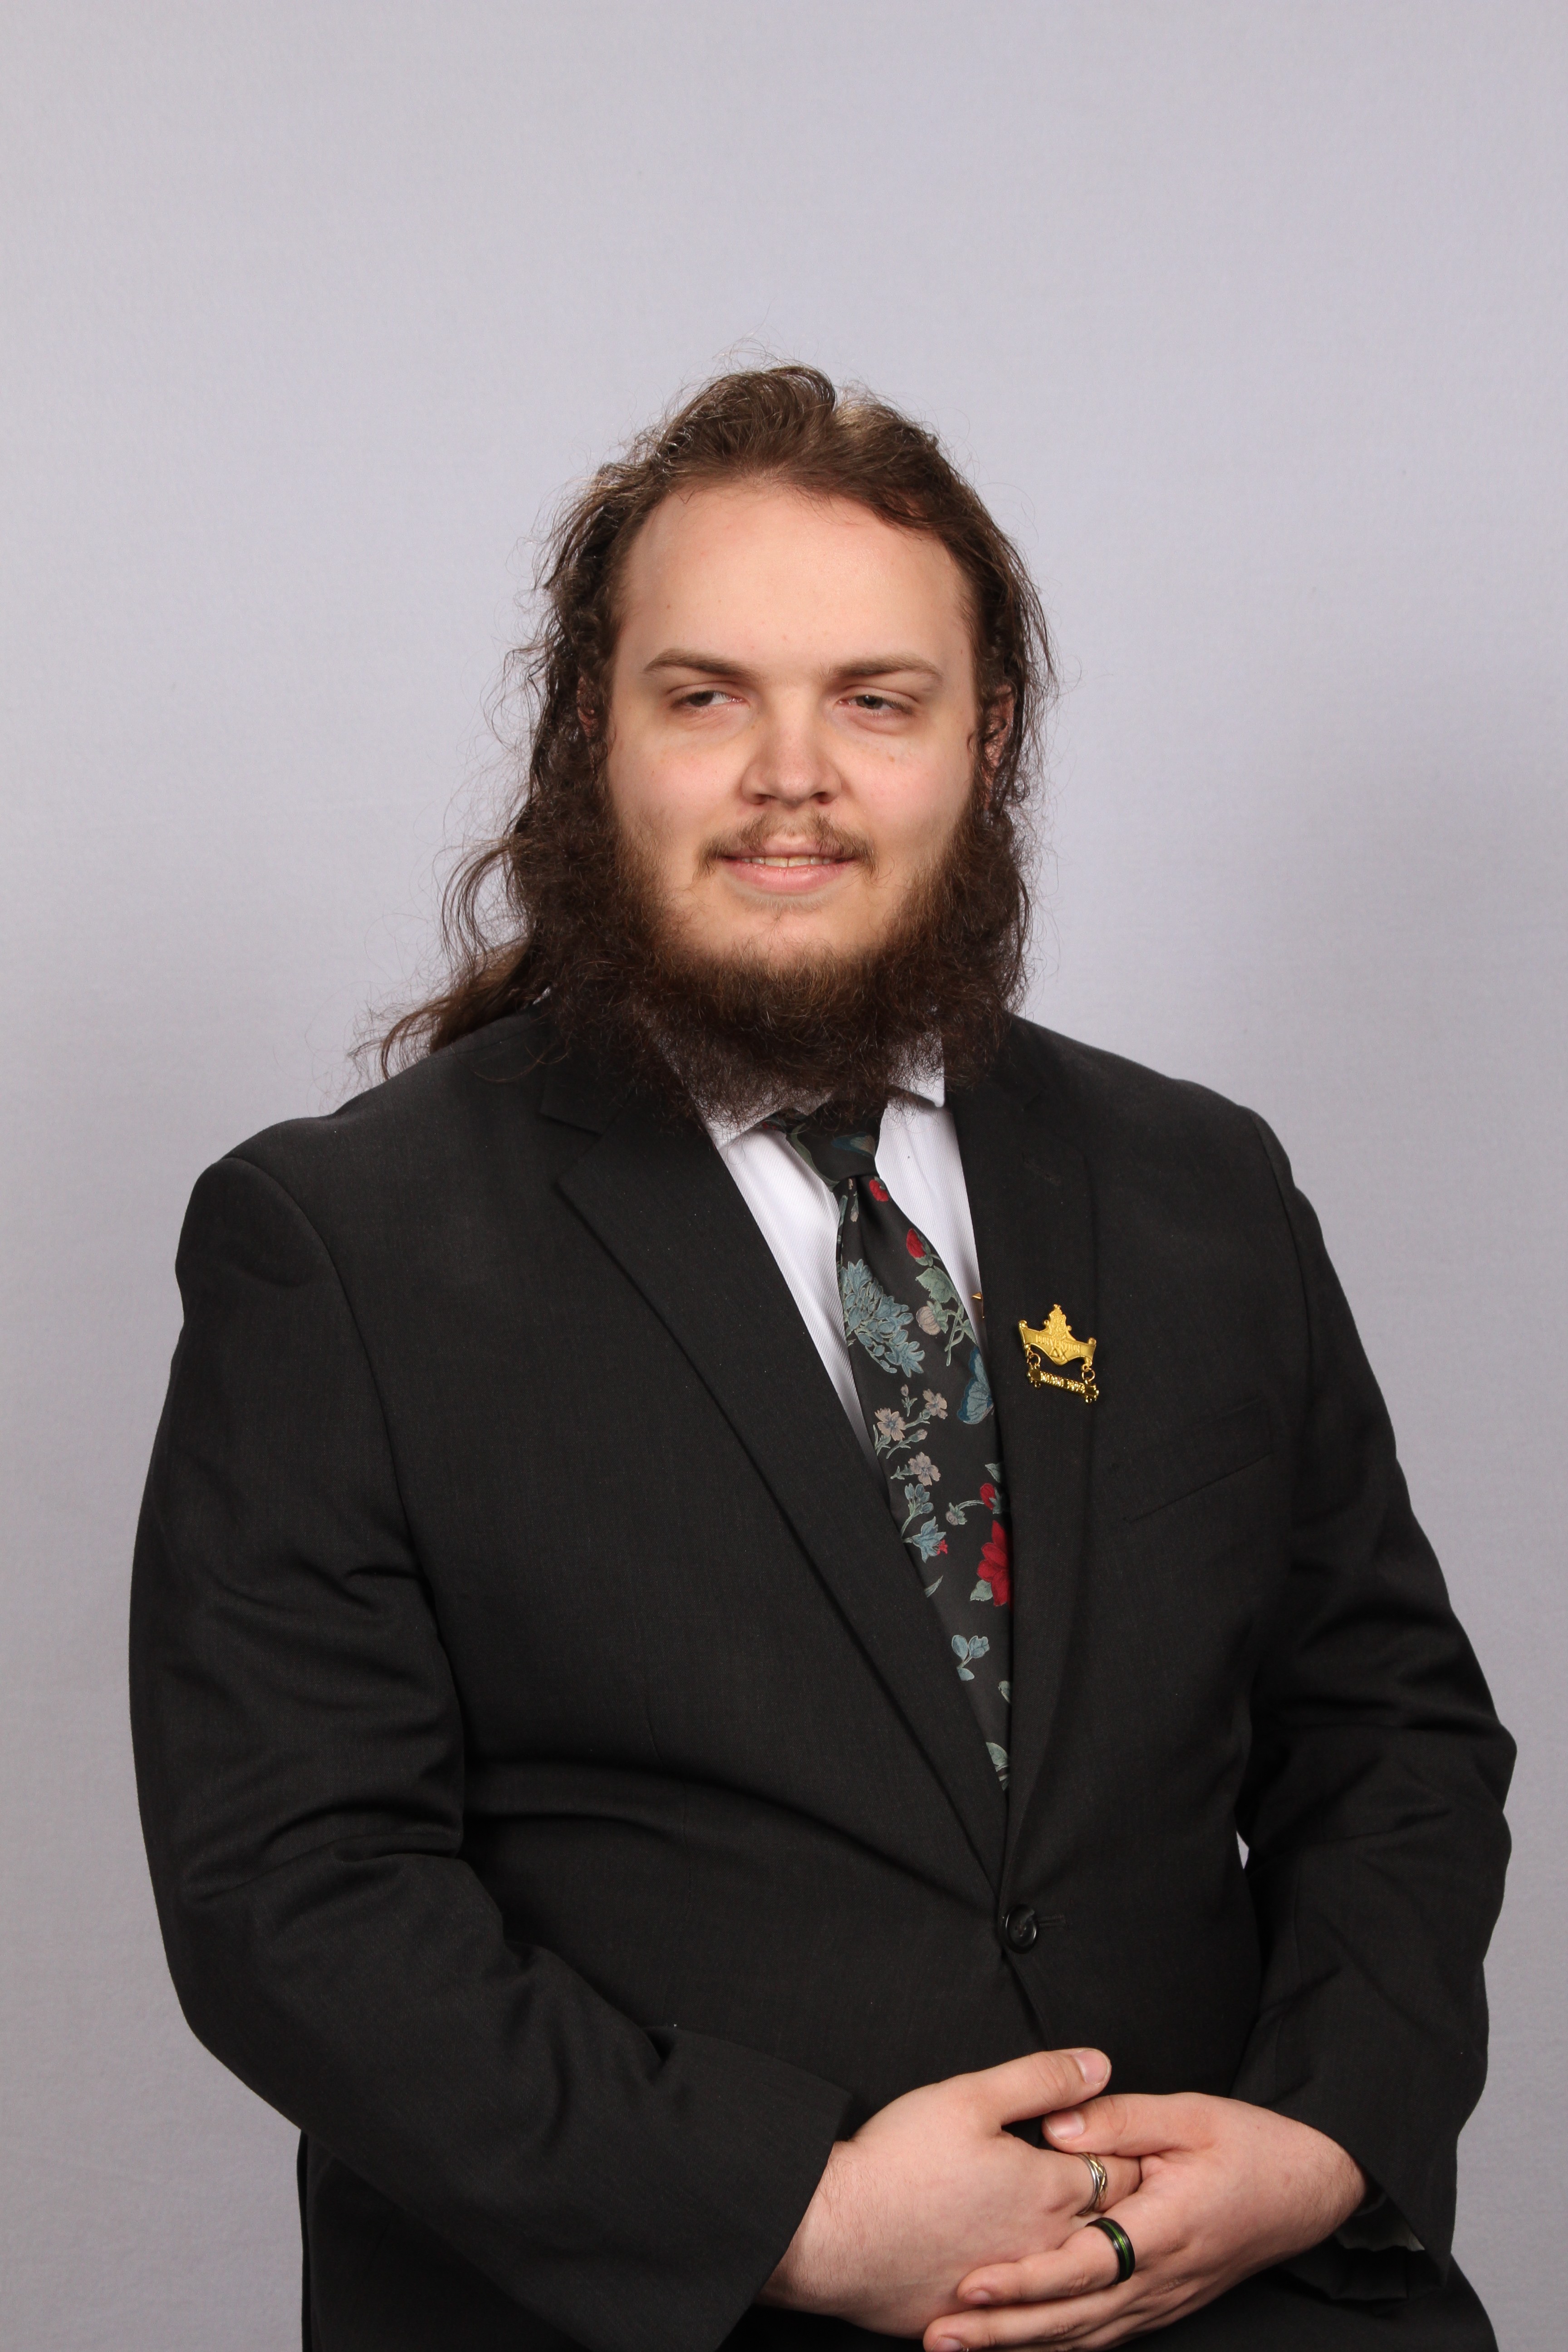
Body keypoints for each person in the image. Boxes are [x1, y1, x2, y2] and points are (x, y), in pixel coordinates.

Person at [130, 366, 1513, 2352]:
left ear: (988, 735)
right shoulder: (339, 1245)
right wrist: (796, 2214)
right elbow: (293, 1894)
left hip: (1235, 2298)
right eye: (708, 697)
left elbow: (1393, 1738)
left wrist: (1320, 2139)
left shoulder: (1205, 1185)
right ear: (591, 730)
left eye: (878, 699)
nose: (796, 777)